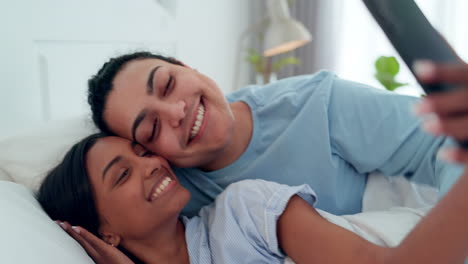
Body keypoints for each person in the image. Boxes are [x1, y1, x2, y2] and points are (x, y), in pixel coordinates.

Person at [87, 51, 463, 217]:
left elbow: (445, 143)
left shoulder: (316, 102)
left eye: (168, 84)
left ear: (188, 67)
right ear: (148, 152)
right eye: (152, 127)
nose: (177, 112)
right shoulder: (172, 194)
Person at [37, 134, 468, 264]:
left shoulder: (244, 211)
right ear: (105, 233)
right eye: (123, 174)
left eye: (143, 151)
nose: (152, 164)